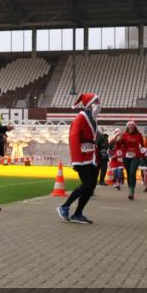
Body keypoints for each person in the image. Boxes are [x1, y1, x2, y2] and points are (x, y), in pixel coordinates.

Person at [57, 93, 101, 224]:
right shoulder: (80, 118)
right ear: (89, 103)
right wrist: (77, 160)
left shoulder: (92, 118)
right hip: (82, 158)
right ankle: (64, 206)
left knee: (91, 186)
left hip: (91, 157)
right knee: (87, 184)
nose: (99, 104)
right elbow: (73, 138)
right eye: (97, 101)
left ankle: (78, 213)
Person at [114, 120, 145, 200]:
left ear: (134, 127)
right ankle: (130, 189)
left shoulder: (139, 135)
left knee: (132, 172)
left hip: (136, 157)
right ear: (127, 127)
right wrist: (118, 140)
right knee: (128, 173)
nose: (130, 126)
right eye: (129, 125)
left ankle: (131, 191)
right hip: (126, 157)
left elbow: (143, 146)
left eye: (132, 125)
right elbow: (119, 145)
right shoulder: (124, 135)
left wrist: (143, 154)